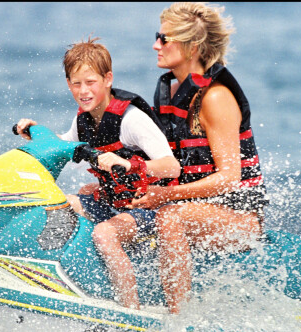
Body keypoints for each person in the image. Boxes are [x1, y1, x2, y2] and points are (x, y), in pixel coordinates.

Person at [14, 37, 180, 310]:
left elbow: (172, 166)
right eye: (76, 84)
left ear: (108, 79)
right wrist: (36, 132)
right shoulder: (83, 119)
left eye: (90, 82)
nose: (83, 91)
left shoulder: (132, 120)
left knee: (104, 234)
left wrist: (132, 165)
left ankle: (131, 310)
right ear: (68, 84)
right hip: (112, 203)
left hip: (150, 206)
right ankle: (38, 278)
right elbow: (63, 144)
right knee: (57, 204)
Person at [129, 2, 269, 314]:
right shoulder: (173, 91)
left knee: (169, 217)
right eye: (158, 36)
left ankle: (177, 320)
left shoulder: (216, 98)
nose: (156, 45)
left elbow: (230, 178)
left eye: (164, 39)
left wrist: (167, 195)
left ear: (192, 47)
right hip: (193, 206)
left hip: (240, 218)